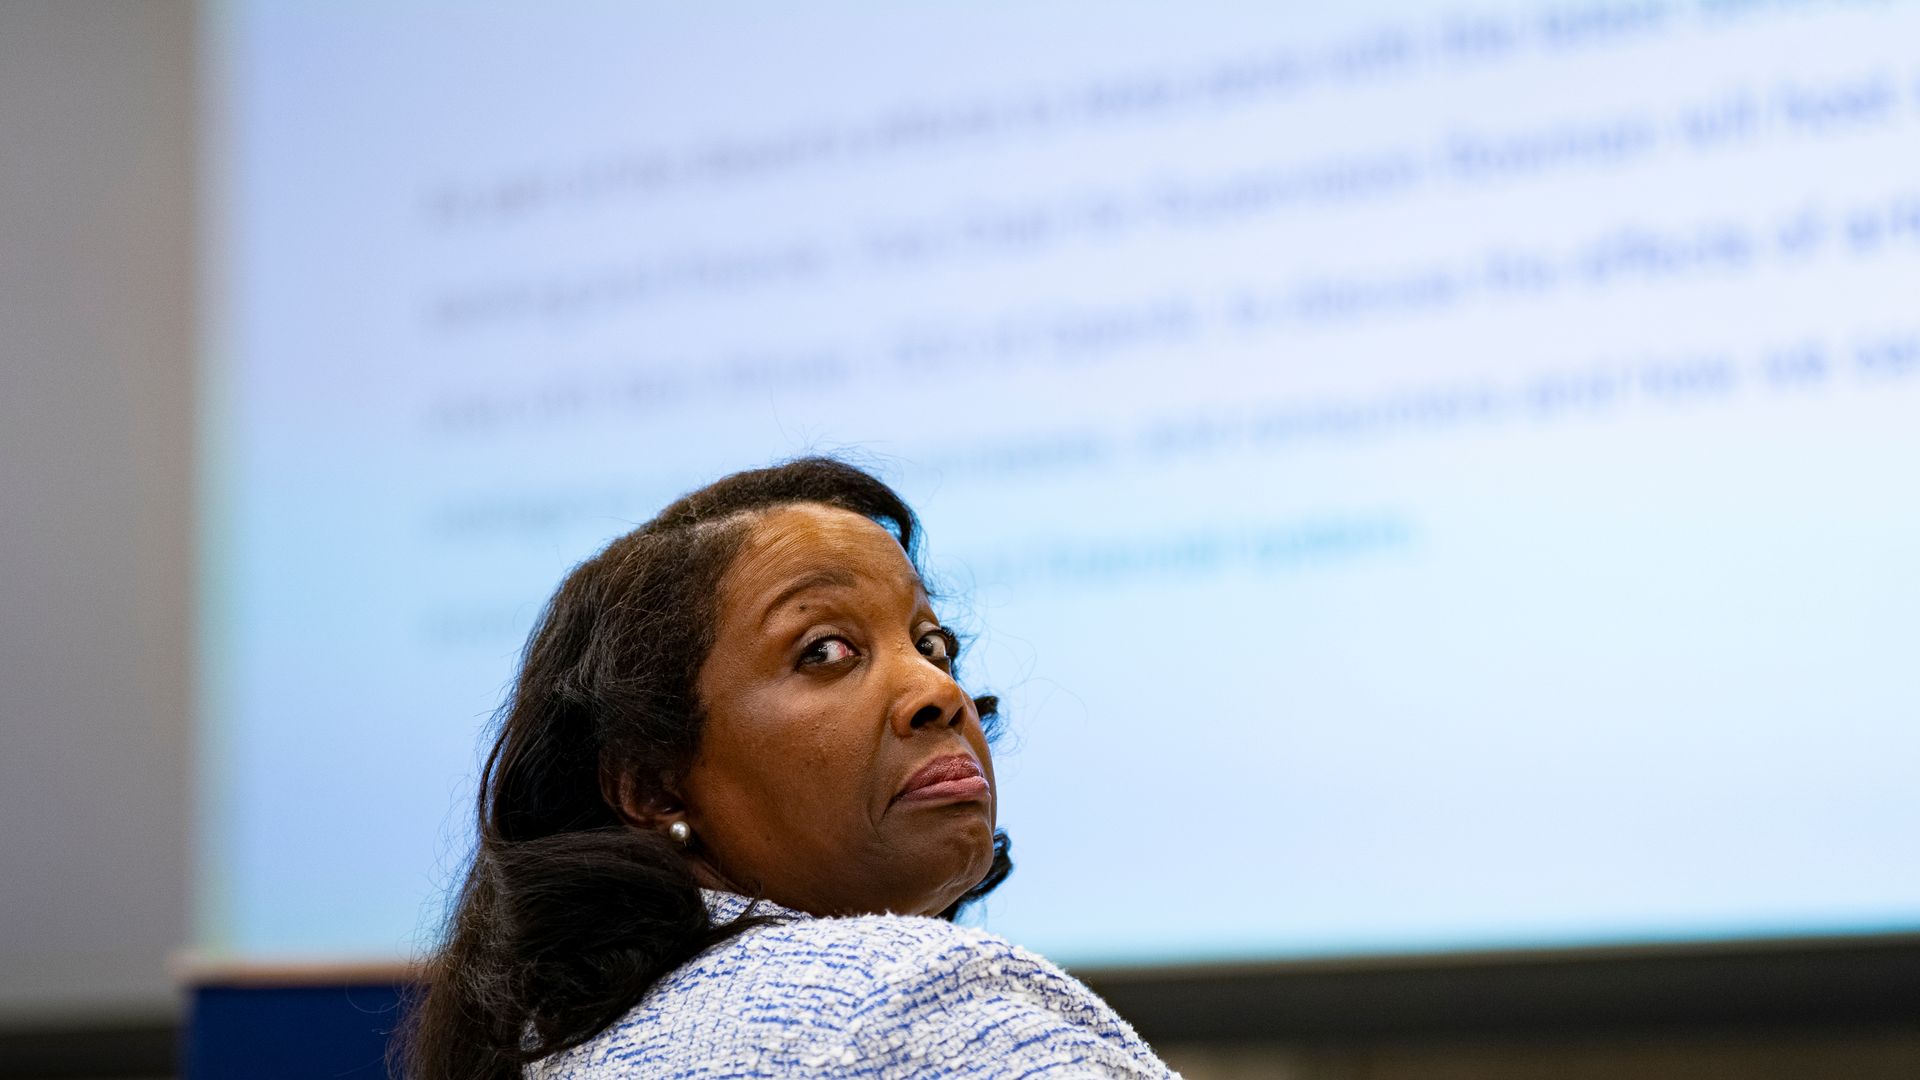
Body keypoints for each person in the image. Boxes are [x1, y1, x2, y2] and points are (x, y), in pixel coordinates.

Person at [403, 457, 1175, 1079]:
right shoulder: (906, 999)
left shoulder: (564, 1048)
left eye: (932, 646)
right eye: (826, 651)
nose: (941, 693)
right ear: (654, 787)